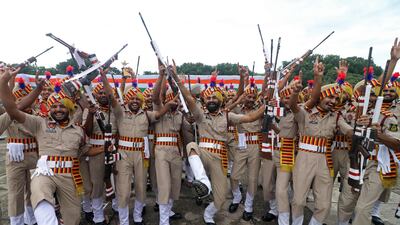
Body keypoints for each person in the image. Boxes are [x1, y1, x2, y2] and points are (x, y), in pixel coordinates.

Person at [169, 60, 266, 225]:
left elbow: (250, 117)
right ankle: (202, 180)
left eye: (215, 97)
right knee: (192, 146)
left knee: (221, 198)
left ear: (220, 100)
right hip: (204, 153)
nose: (211, 99)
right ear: (205, 101)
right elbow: (188, 98)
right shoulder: (200, 115)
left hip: (220, 158)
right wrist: (176, 77)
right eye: (209, 97)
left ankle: (208, 215)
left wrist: (267, 106)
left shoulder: (228, 116)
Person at [0, 67, 93, 225]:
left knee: (73, 217)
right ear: (49, 109)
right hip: (44, 170)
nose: (58, 109)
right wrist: (3, 81)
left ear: (69, 109)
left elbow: (86, 148)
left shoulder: (78, 130)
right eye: (54, 106)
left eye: (62, 106)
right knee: (37, 195)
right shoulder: (40, 122)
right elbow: (13, 109)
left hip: (69, 175)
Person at [101, 70, 176, 225]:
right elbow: (111, 97)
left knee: (141, 187)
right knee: (124, 190)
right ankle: (123, 221)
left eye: (137, 98)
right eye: (132, 98)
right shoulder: (120, 112)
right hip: (123, 155)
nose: (135, 100)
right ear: (127, 100)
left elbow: (159, 113)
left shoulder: (146, 114)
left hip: (141, 154)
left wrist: (168, 105)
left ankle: (137, 217)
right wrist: (103, 77)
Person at [289, 60, 355, 225]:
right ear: (321, 97)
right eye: (330, 96)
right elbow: (293, 107)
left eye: (335, 98)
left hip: (325, 160)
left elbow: (348, 130)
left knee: (324, 204)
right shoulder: (307, 112)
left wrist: (359, 131)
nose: (333, 101)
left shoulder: (336, 116)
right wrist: (296, 93)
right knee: (298, 200)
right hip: (304, 157)